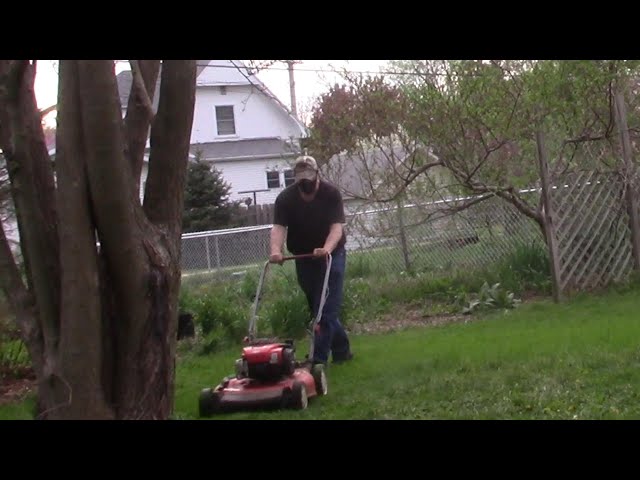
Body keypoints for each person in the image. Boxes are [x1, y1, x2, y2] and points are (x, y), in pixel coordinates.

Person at [269, 154, 353, 366]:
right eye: (300, 177)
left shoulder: (330, 194)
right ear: (295, 178)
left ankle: (317, 360)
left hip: (332, 256)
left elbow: (336, 227)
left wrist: (326, 249)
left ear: (316, 175)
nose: (304, 182)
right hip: (303, 258)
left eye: (308, 176)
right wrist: (275, 250)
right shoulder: (285, 199)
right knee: (319, 309)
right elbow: (279, 227)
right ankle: (342, 350)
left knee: (324, 310)